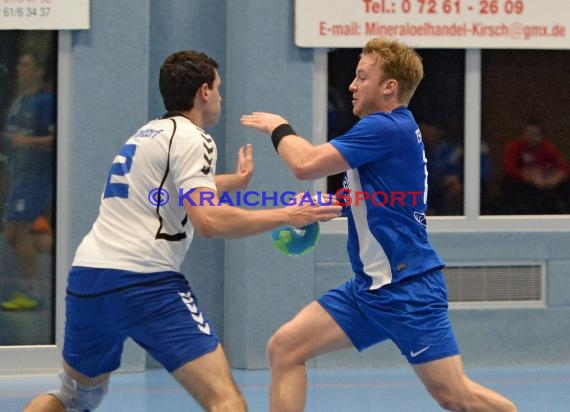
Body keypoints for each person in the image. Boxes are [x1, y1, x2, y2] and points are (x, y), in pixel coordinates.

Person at [23, 50, 341, 412]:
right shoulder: (194, 137)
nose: (221, 97)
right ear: (204, 92)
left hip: (89, 277)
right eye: (219, 89)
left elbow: (168, 190)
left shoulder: (146, 134)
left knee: (74, 396)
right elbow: (209, 222)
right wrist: (287, 215)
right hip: (146, 283)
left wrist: (237, 182)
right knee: (226, 401)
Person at [241, 37, 517, 411]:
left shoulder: (385, 127)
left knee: (456, 396)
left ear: (389, 87)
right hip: (368, 289)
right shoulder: (389, 131)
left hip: (408, 289)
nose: (352, 86)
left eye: (362, 76)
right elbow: (382, 196)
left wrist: (279, 127)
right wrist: (332, 203)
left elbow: (304, 164)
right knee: (285, 348)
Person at [1, 51, 56, 311]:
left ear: (38, 71)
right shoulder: (20, 101)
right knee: (17, 234)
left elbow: (55, 140)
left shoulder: (46, 102)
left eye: (26, 64)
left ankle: (32, 291)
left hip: (36, 177)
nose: (20, 69)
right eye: (19, 64)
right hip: (19, 174)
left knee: (17, 230)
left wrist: (27, 142)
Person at [501, 120, 570, 214]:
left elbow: (563, 167)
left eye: (534, 134)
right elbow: (508, 167)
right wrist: (528, 177)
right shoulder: (514, 146)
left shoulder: (548, 147)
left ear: (541, 136)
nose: (531, 137)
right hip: (522, 182)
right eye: (528, 134)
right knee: (510, 182)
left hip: (544, 181)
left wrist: (555, 179)